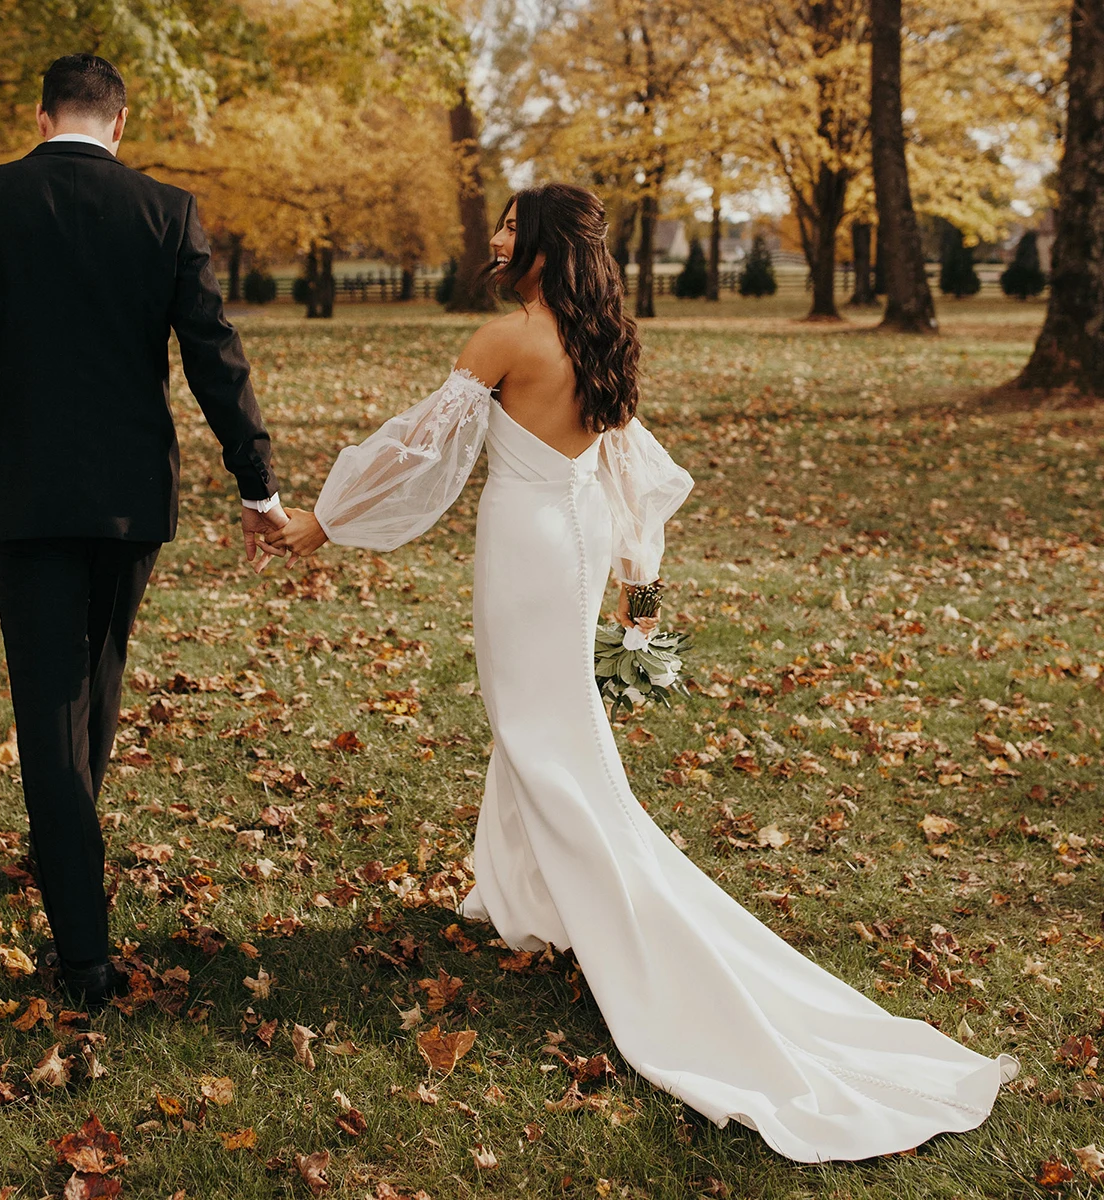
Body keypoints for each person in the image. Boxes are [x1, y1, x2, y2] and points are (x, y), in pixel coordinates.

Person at [265, 181, 1018, 1162]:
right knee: (539, 718)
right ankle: (520, 896)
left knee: (542, 734)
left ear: (538, 244)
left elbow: (420, 452)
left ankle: (626, 918)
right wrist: (638, 580)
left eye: (507, 223)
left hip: (529, 545)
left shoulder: (506, 338)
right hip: (572, 539)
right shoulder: (602, 336)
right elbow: (624, 463)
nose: (495, 235)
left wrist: (324, 523)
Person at [0, 53, 287, 1008]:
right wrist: (256, 479)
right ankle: (70, 869)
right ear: (119, 123)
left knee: (52, 699)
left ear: (41, 116)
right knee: (98, 673)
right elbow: (216, 353)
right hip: (132, 497)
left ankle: (81, 948)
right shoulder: (166, 212)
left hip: (26, 493)